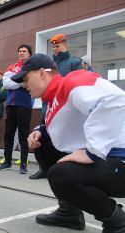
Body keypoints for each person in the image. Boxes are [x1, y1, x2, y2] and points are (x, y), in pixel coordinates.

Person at [12, 53, 125, 232]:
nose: (24, 85)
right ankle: (69, 212)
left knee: (60, 175)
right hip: (110, 160)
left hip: (121, 160)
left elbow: (115, 101)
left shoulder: (72, 80)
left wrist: (91, 152)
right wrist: (39, 132)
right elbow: (63, 127)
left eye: (26, 79)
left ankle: (117, 221)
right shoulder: (53, 101)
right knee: (44, 146)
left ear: (42, 73)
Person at [31, 34, 83, 179]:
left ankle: (67, 171)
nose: (54, 49)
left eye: (57, 46)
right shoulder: (48, 65)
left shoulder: (74, 63)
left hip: (64, 108)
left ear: (65, 45)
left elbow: (77, 83)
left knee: (65, 140)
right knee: (40, 138)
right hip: (46, 107)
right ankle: (44, 168)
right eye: (53, 46)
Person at [0, 44, 32, 174]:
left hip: (24, 105)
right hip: (10, 105)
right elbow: (6, 84)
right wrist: (21, 83)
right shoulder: (12, 67)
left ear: (29, 54)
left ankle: (23, 164)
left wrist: (16, 83)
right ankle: (7, 161)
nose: (21, 53)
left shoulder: (32, 67)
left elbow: (30, 83)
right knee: (8, 134)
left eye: (24, 51)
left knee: (23, 136)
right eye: (19, 51)